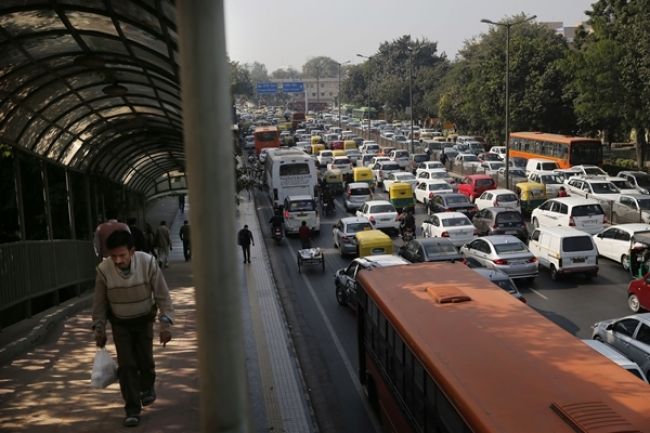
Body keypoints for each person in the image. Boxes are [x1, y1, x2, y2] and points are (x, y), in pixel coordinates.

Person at [91, 230, 174, 428]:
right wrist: (99, 329)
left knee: (145, 359)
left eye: (122, 255)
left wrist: (165, 325)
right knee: (126, 365)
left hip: (144, 319)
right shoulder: (103, 270)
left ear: (132, 251)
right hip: (121, 323)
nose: (118, 260)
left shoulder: (147, 263)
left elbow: (163, 296)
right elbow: (99, 303)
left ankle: (147, 386)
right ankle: (132, 409)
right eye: (114, 256)